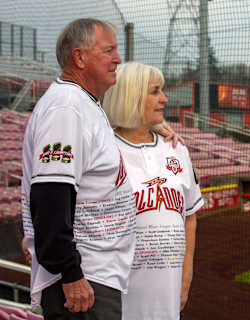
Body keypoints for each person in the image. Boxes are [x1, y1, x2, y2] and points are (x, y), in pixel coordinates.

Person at [21, 18, 181, 319]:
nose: (118, 59)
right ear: (79, 57)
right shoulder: (67, 108)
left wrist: (153, 124)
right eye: (108, 50)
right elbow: (51, 194)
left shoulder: (81, 104)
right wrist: (70, 272)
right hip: (83, 281)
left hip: (96, 275)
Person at [102, 61, 204, 320]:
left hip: (167, 294)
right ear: (132, 96)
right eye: (155, 91)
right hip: (119, 293)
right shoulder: (102, 151)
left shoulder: (176, 149)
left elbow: (189, 215)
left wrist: (186, 274)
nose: (164, 98)